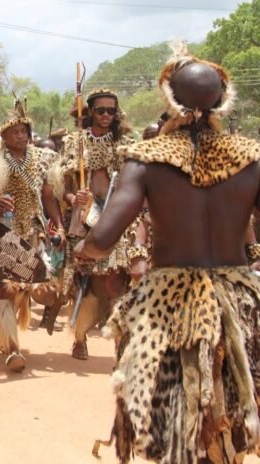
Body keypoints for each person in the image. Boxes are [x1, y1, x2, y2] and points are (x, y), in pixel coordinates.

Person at [74, 44, 260, 463]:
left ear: (170, 99)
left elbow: (103, 239)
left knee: (174, 425)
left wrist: (81, 250)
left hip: (170, 307)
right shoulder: (251, 159)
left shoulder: (147, 160)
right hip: (240, 300)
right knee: (233, 415)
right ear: (222, 98)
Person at [0, 101, 64, 371]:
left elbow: (49, 197)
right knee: (6, 288)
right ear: (3, 136)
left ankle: (9, 333)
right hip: (5, 231)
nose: (20, 134)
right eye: (14, 131)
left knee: (35, 289)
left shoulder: (44, 158)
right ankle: (12, 349)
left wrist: (58, 225)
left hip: (34, 231)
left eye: (24, 130)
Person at [50, 88, 135, 360]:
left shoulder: (124, 142)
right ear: (90, 112)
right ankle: (80, 336)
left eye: (112, 110)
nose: (107, 115)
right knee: (82, 279)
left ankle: (120, 342)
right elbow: (60, 186)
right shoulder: (75, 142)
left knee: (114, 282)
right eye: (101, 110)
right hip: (82, 219)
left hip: (114, 216)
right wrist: (75, 197)